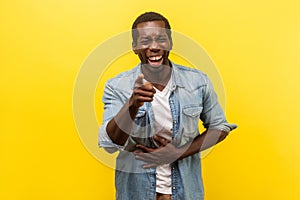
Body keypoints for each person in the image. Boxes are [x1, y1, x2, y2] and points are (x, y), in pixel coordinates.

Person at [98, 11, 237, 200]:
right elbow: (110, 143)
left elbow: (220, 127)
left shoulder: (198, 82)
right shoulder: (117, 86)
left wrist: (178, 153)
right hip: (135, 193)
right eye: (145, 40)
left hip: (185, 192)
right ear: (135, 47)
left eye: (160, 39)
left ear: (170, 42)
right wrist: (132, 105)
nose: (154, 47)